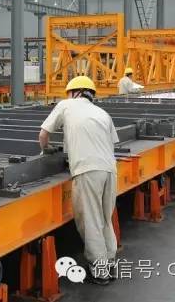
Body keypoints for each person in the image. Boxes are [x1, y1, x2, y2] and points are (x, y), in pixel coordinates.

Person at [39, 76, 118, 285]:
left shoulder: (66, 105)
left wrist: (46, 149)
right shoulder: (102, 113)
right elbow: (111, 142)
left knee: (90, 220)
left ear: (74, 92)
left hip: (87, 170)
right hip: (110, 169)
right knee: (105, 218)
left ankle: (100, 272)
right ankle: (110, 262)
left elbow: (43, 134)